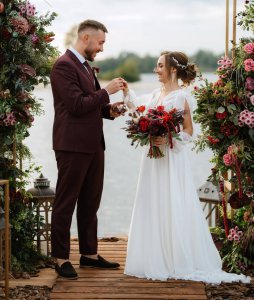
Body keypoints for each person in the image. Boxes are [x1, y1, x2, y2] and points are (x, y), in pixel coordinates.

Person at [123, 51, 250, 284]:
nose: (156, 69)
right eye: (156, 65)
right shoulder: (155, 94)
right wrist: (125, 92)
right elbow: (135, 110)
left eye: (160, 65)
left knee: (172, 199)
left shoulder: (181, 97)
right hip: (152, 160)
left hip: (171, 158)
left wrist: (169, 139)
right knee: (152, 200)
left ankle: (176, 257)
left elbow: (190, 131)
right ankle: (153, 254)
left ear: (173, 69)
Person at [50, 19, 126, 279]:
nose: (102, 48)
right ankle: (60, 258)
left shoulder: (85, 67)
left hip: (94, 145)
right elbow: (76, 105)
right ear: (86, 38)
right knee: (66, 202)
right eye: (101, 42)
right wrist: (106, 92)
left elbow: (91, 105)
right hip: (71, 146)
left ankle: (89, 254)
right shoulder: (63, 65)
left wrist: (109, 110)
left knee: (90, 201)